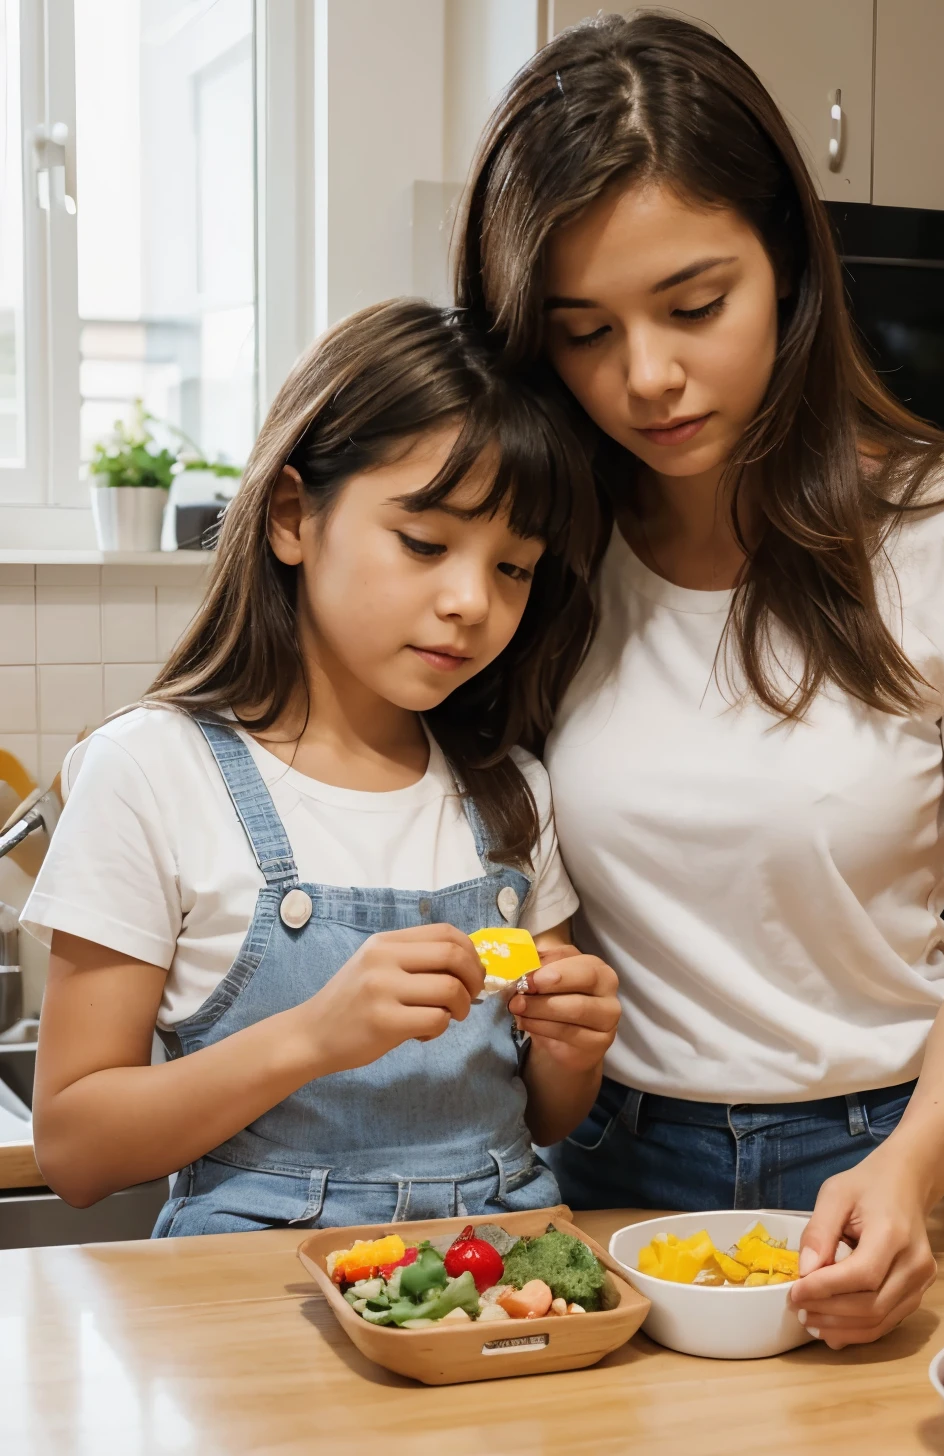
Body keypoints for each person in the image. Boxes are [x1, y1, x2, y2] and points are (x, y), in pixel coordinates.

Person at [455, 12, 944, 1347]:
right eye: (584, 333)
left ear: (791, 267)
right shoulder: (533, 556)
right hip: (610, 1180)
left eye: (696, 306)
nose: (648, 378)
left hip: (917, 1156)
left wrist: (908, 1170)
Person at [25, 300, 621, 1234]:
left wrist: (574, 1049)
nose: (472, 601)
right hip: (252, 1317)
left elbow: (545, 1118)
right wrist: (311, 1037)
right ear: (295, 517)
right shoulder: (150, 773)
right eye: (425, 543)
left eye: (515, 568)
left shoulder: (513, 793)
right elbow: (74, 1149)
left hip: (497, 1292)